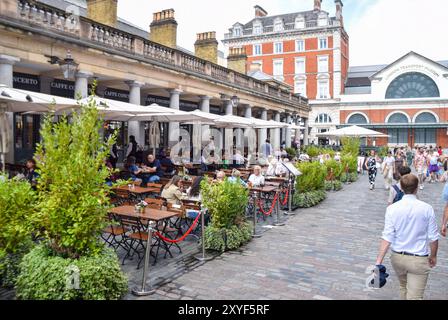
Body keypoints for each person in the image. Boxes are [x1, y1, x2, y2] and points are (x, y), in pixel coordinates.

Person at [375, 174, 439, 300]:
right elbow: (433, 238)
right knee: (415, 297)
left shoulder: (392, 209)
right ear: (416, 188)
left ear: (402, 188)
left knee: (404, 287)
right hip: (418, 259)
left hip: (397, 257)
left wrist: (378, 262)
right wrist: (433, 255)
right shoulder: (426, 208)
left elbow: (387, 237)